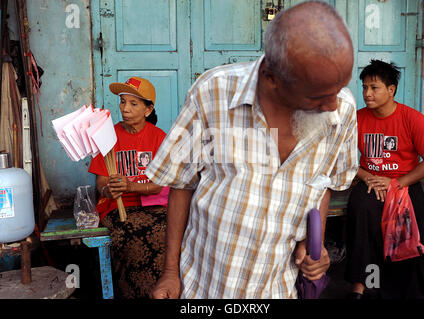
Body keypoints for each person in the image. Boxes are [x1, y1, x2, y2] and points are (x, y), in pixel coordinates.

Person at [146, 1, 358, 298]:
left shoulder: (342, 109)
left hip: (277, 286)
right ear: (272, 78)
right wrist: (170, 273)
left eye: (339, 89)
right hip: (207, 284)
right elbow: (182, 182)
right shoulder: (213, 93)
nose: (334, 105)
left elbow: (323, 181)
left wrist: (314, 242)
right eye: (318, 97)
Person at [344, 60, 424, 299]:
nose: (367, 93)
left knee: (415, 226)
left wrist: (397, 183)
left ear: (391, 89)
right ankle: (363, 285)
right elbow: (339, 157)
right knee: (362, 212)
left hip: (404, 182)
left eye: (374, 88)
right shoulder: (357, 119)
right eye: (364, 87)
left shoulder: (412, 118)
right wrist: (367, 176)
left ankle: (409, 291)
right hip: (370, 182)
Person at [88, 77, 167, 298]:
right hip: (117, 209)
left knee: (168, 235)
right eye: (123, 102)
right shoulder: (108, 137)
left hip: (153, 207)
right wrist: (108, 190)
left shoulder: (159, 138)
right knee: (131, 242)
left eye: (133, 104)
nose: (125, 109)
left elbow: (160, 185)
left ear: (148, 109)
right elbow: (102, 183)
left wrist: (131, 185)